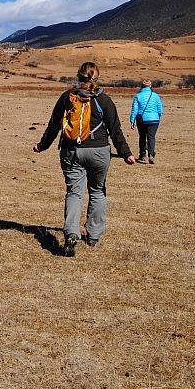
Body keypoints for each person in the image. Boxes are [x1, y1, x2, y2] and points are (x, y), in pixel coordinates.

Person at [32, 62, 135, 256]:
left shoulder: (67, 97)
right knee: (97, 191)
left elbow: (54, 125)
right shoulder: (104, 99)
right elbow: (115, 130)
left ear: (78, 76)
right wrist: (126, 153)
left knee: (74, 193)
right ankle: (94, 235)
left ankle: (71, 233)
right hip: (99, 151)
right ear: (97, 77)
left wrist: (42, 145)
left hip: (71, 151)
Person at [130, 79, 163, 164]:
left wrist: (132, 120)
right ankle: (151, 154)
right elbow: (160, 109)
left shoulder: (138, 96)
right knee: (151, 137)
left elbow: (134, 109)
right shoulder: (156, 96)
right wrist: (158, 116)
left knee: (142, 137)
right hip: (154, 120)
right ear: (151, 86)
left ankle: (142, 154)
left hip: (141, 119)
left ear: (142, 86)